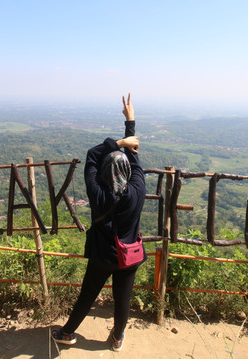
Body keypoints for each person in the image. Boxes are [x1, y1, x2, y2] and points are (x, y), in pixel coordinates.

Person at [51, 93, 146, 352]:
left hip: (103, 255)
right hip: (130, 255)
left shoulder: (98, 193)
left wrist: (119, 140)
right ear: (127, 171)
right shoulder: (137, 189)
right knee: (122, 299)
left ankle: (67, 333)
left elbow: (92, 155)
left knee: (87, 295)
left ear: (104, 173)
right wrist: (131, 123)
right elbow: (134, 156)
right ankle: (117, 339)